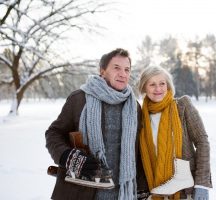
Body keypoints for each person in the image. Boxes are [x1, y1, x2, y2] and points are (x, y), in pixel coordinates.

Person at [45, 48, 148, 200]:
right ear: (102, 71)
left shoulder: (134, 106)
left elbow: (137, 151)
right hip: (80, 191)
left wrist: (141, 188)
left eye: (127, 69)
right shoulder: (79, 99)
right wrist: (68, 157)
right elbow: (54, 133)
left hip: (121, 194)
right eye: (116, 68)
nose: (123, 74)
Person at [138, 66, 212, 200]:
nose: (158, 89)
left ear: (168, 85)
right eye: (152, 84)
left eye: (162, 83)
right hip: (155, 191)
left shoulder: (182, 106)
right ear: (144, 87)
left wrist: (202, 184)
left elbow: (202, 142)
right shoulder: (141, 116)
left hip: (186, 193)